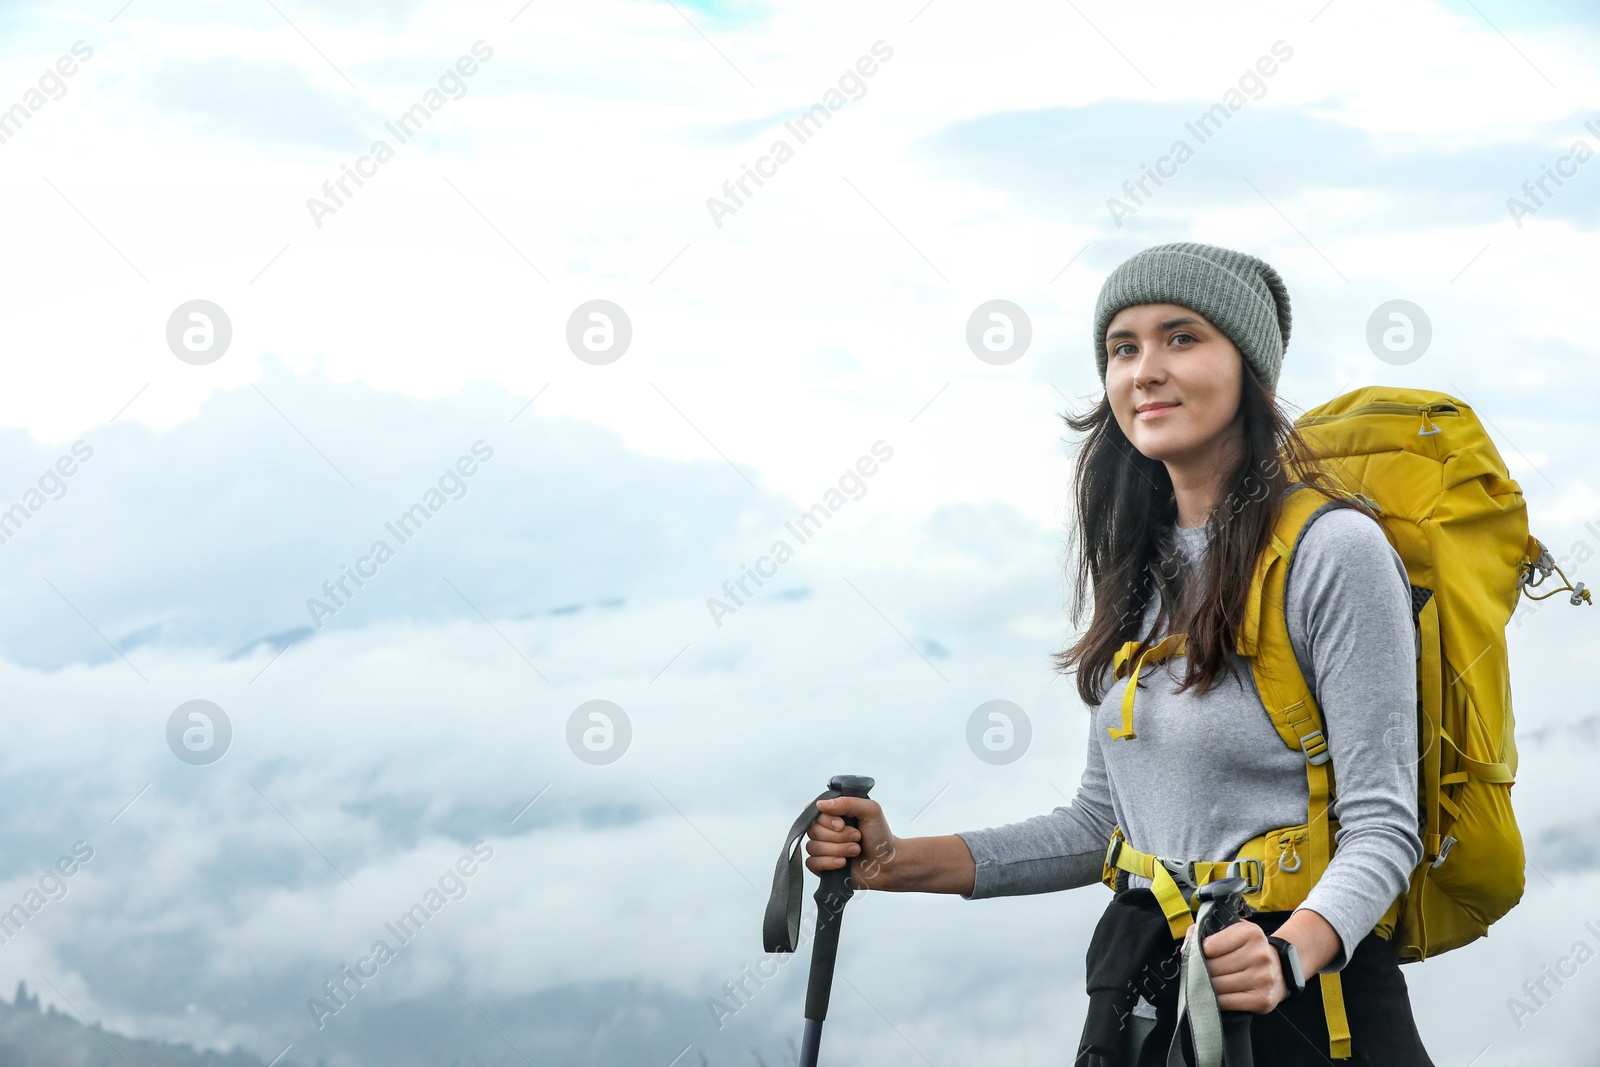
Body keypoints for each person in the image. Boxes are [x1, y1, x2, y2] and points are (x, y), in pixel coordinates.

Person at [804, 242, 1435, 1064]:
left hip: (1303, 1014)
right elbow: (1102, 823)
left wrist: (1289, 953)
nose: (1145, 369)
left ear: (1248, 368)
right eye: (1123, 347)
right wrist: (893, 861)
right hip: (1143, 996)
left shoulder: (1334, 552)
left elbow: (1386, 824)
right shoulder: (1142, 560)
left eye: (1182, 338)